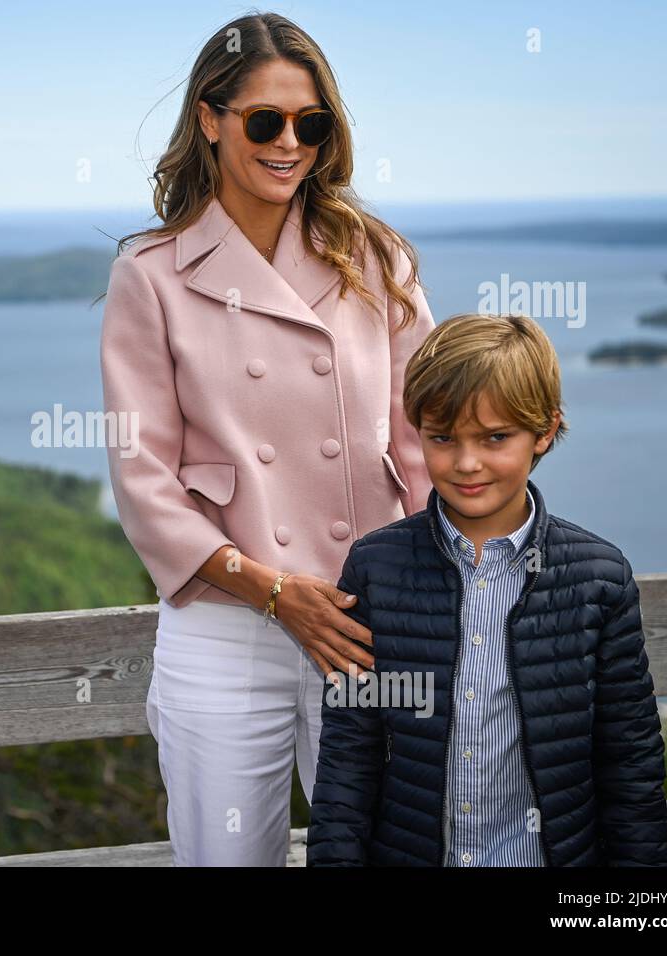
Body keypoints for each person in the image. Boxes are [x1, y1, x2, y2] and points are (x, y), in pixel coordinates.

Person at [97, 12, 435, 866]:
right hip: (224, 624)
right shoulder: (151, 274)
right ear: (210, 120)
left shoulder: (375, 258)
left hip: (368, 621)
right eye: (264, 120)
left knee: (386, 853)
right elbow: (146, 484)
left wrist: (444, 592)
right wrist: (276, 592)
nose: (290, 142)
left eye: (309, 124)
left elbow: (428, 440)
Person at [306, 312, 667, 866]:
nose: (467, 462)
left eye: (496, 437)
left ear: (545, 431)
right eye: (443, 438)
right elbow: (349, 756)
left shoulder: (599, 578)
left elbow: (630, 763)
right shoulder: (375, 568)